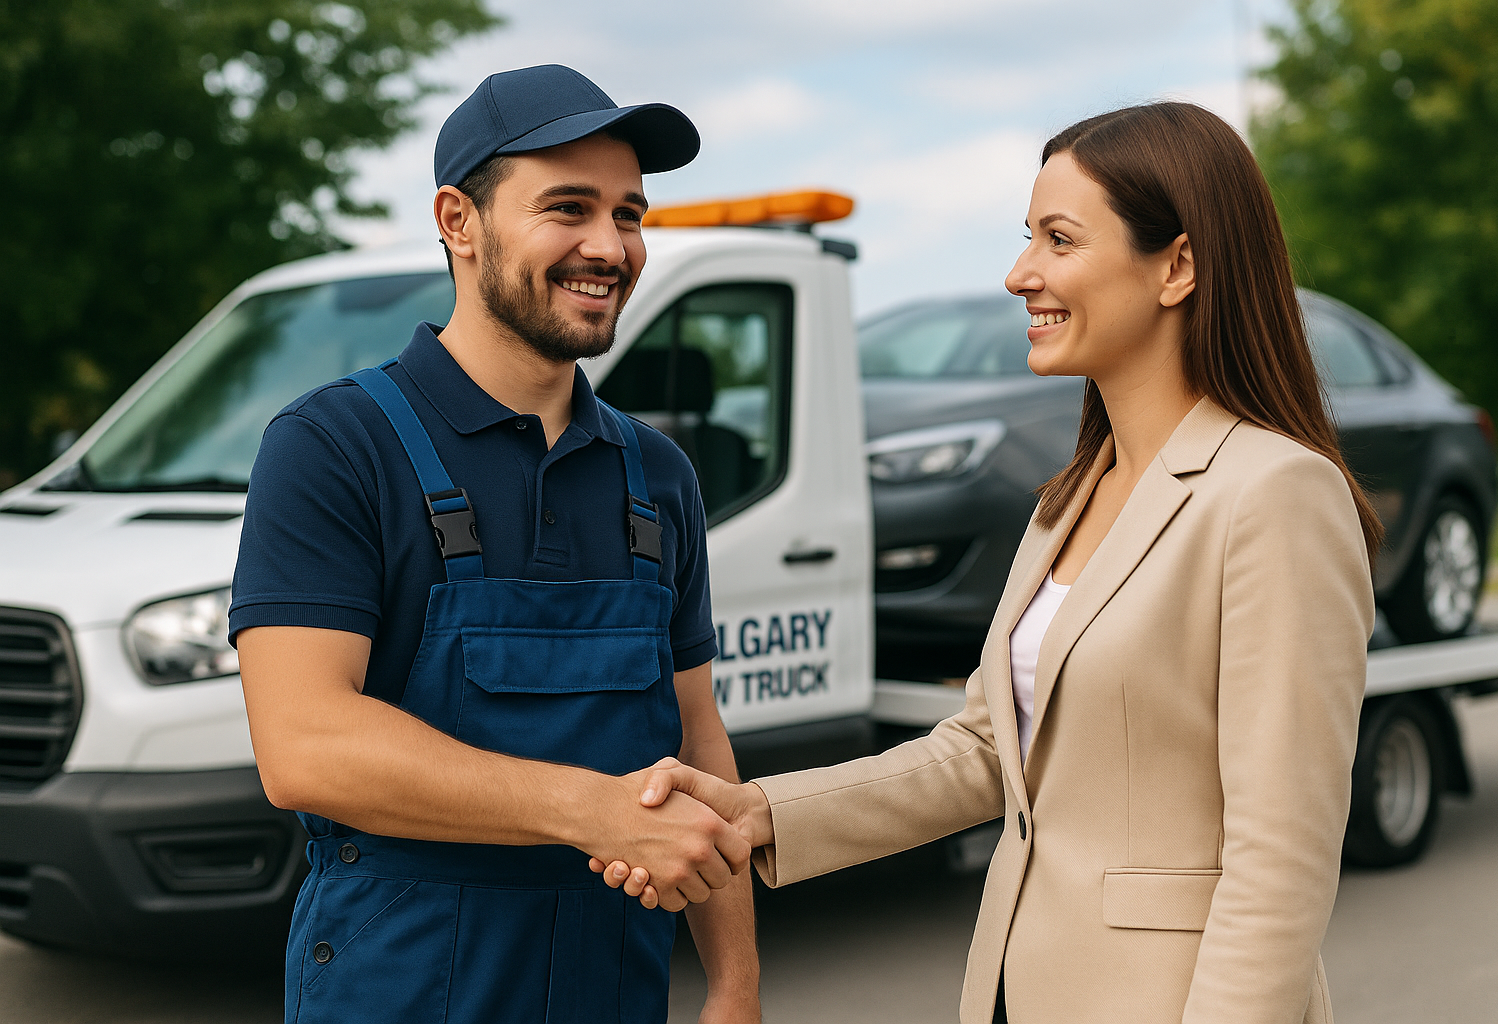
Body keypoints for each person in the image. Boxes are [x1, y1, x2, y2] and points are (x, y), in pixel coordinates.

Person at [598, 102, 1381, 1024]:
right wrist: (758, 812)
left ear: (1177, 266)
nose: (1021, 274)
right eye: (1027, 238)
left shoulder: (1275, 493)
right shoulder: (1071, 498)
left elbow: (1278, 862)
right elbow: (982, 750)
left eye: (1059, 238)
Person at [232, 65, 760, 1024]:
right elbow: (305, 747)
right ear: (458, 220)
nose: (611, 247)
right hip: (399, 984)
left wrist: (733, 985)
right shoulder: (333, 447)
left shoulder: (658, 476)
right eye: (568, 208)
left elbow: (696, 736)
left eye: (629, 214)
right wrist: (591, 812)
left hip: (613, 987)